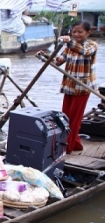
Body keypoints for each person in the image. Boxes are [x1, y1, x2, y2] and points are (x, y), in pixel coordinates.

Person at [40, 21, 98, 153]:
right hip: (69, 87)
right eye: (74, 32)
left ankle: (68, 148)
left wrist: (69, 42)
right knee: (65, 117)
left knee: (74, 120)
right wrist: (44, 56)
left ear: (88, 33)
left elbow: (84, 51)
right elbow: (57, 62)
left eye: (80, 32)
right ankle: (76, 144)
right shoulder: (68, 48)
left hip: (83, 87)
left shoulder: (92, 45)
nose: (76, 34)